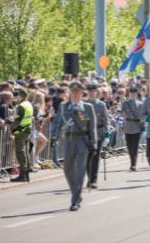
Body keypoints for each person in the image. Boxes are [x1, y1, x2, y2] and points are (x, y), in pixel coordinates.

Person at [50, 82, 97, 211]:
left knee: (79, 173)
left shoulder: (87, 107)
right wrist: (53, 136)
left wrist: (94, 144)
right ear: (70, 93)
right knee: (67, 170)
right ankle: (76, 194)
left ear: (82, 94)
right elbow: (57, 122)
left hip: (83, 142)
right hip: (69, 141)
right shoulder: (64, 107)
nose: (75, 94)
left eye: (78, 92)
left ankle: (74, 201)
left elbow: (92, 127)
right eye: (73, 92)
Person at [84, 84, 110, 189]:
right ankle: (89, 178)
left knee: (95, 158)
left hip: (98, 134)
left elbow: (106, 121)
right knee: (86, 158)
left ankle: (93, 180)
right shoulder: (83, 104)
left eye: (93, 91)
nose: (91, 93)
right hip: (86, 134)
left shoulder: (101, 104)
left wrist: (107, 135)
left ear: (96, 93)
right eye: (89, 91)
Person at [10, 87, 34, 182]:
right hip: (27, 131)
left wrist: (11, 128)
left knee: (20, 153)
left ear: (19, 95)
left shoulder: (21, 106)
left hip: (20, 132)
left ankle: (22, 176)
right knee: (26, 154)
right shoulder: (28, 104)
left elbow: (17, 120)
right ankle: (26, 175)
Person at [118, 86, 144, 171]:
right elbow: (120, 111)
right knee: (129, 146)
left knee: (135, 146)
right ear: (129, 94)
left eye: (134, 93)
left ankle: (133, 164)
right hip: (128, 127)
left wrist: (144, 126)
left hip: (137, 127)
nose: (132, 95)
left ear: (136, 94)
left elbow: (142, 116)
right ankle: (132, 161)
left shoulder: (140, 104)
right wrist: (118, 109)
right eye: (131, 93)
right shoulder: (125, 103)